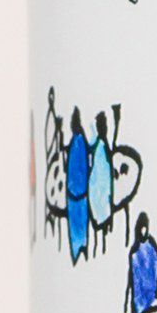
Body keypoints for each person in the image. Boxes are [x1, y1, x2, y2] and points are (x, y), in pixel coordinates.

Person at [64, 107, 91, 262]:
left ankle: (82, 249)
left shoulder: (79, 142)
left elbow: (81, 168)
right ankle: (79, 250)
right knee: (76, 227)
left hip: (79, 196)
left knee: (79, 226)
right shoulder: (76, 141)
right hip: (75, 196)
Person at [127, 213, 157, 313]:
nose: (143, 231)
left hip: (152, 292)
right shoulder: (134, 251)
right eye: (141, 228)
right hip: (139, 296)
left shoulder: (151, 244)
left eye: (145, 228)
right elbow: (132, 277)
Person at [88, 110, 115, 246]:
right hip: (99, 195)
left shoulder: (101, 145)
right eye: (103, 125)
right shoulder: (99, 146)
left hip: (103, 195)